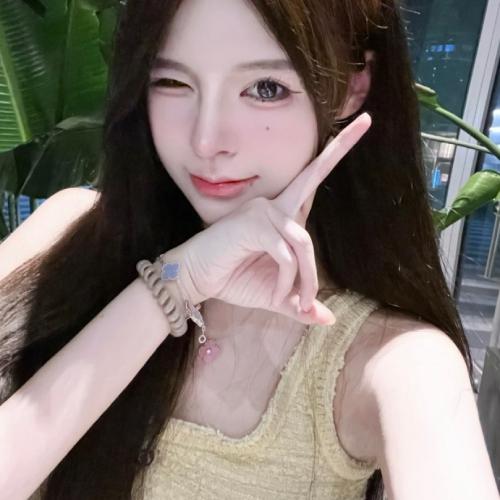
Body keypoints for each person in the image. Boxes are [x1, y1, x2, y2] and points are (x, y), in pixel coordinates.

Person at [0, 0, 497, 499]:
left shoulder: (390, 360)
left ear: (353, 86)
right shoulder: (62, 230)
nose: (206, 140)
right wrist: (177, 282)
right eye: (172, 81)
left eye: (265, 88)